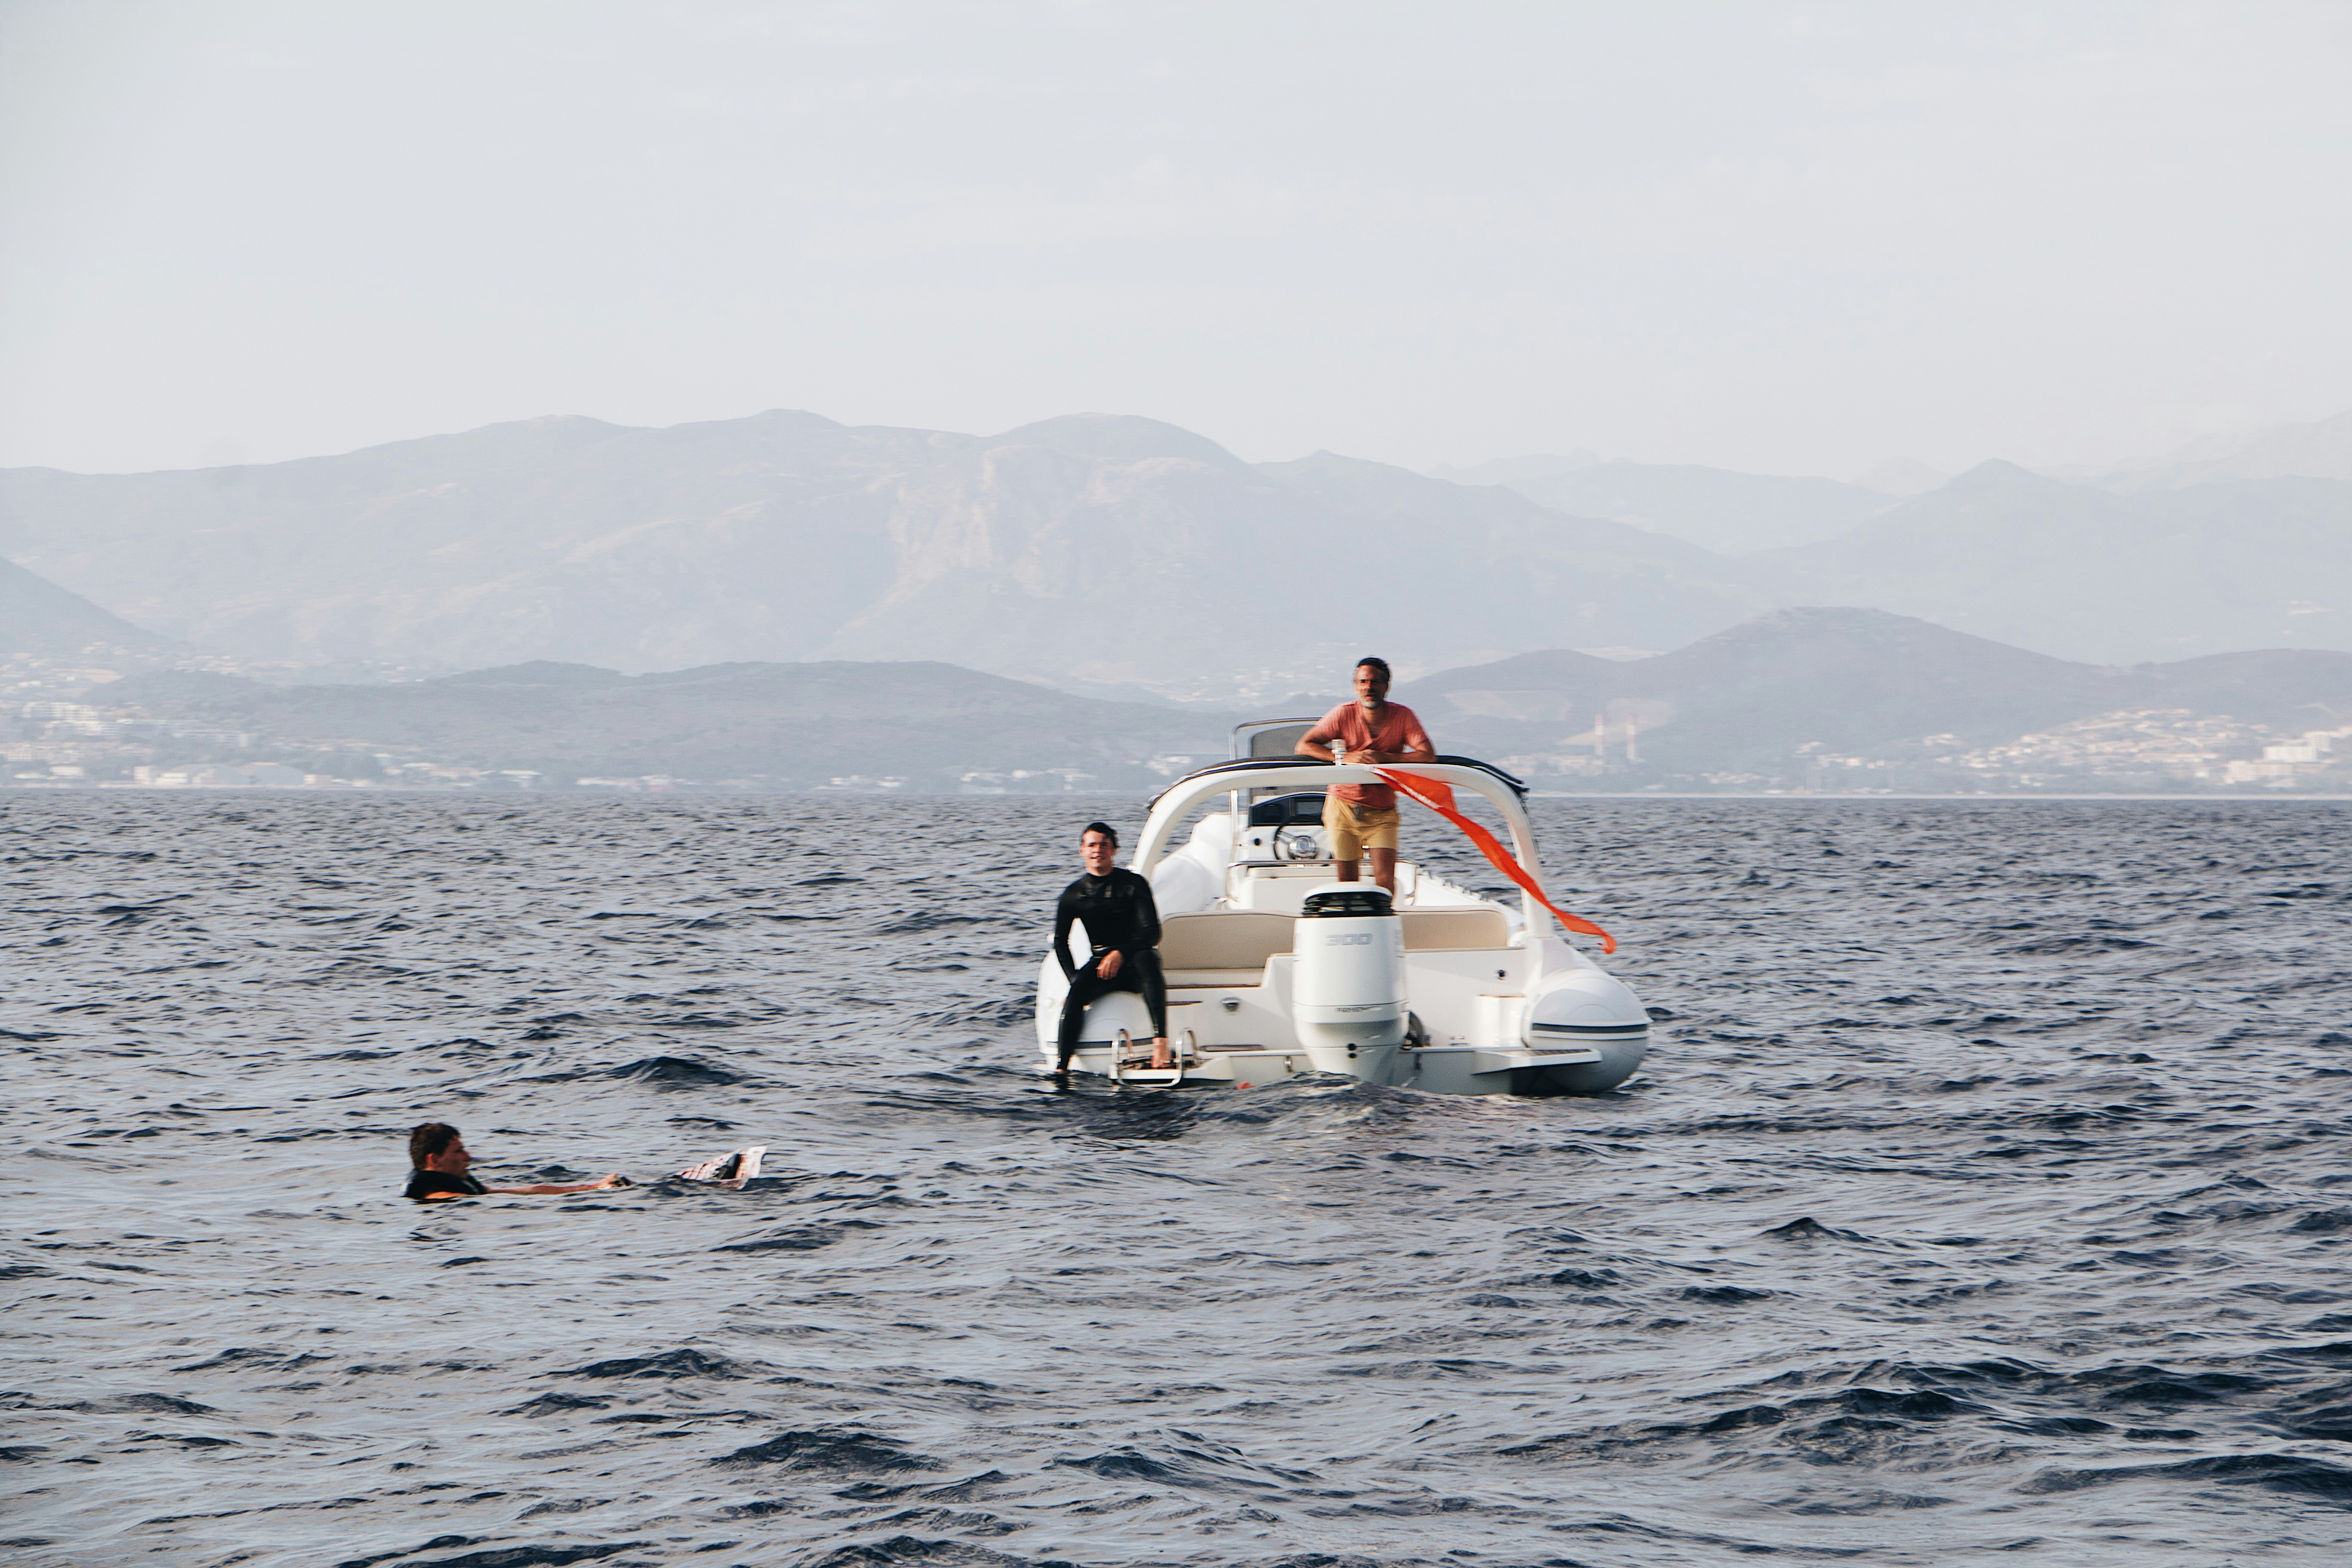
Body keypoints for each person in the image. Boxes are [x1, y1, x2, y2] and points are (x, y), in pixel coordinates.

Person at [1296, 655, 1436, 895]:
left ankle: (1384, 925)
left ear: (1386, 686)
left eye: (1375, 682)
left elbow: (1428, 755)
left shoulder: (1403, 717)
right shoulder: (1343, 714)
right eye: (1363, 682)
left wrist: (1385, 757)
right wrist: (1344, 757)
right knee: (1348, 883)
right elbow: (1304, 746)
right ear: (1355, 686)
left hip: (1382, 810)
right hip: (1342, 808)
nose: (1368, 688)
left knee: (1385, 882)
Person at [1051, 821, 1170, 1072]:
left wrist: (1120, 953)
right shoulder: (1073, 894)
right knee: (1074, 997)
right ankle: (1062, 1068)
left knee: (1146, 960)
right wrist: (1076, 981)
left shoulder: (1134, 884)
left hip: (1137, 961)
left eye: (1104, 845)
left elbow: (1152, 933)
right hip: (1102, 967)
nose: (1098, 850)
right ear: (1082, 851)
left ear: (1114, 850)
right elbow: (1061, 942)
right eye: (1092, 845)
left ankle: (1160, 1043)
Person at [404, 1122, 629, 1201]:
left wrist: (594, 1187)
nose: (469, 1157)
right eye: (459, 1151)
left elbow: (527, 1191)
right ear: (434, 1160)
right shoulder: (446, 1200)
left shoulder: (459, 1189)